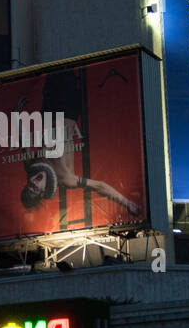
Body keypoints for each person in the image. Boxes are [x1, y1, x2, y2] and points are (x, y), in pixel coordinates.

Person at [18, 67, 140, 216]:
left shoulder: (31, 165)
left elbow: (23, 140)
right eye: (35, 188)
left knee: (56, 66)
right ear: (43, 192)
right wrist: (126, 202)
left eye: (30, 184)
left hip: (49, 110)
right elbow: (99, 186)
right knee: (67, 68)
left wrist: (17, 112)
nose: (34, 183)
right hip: (67, 108)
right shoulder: (66, 179)